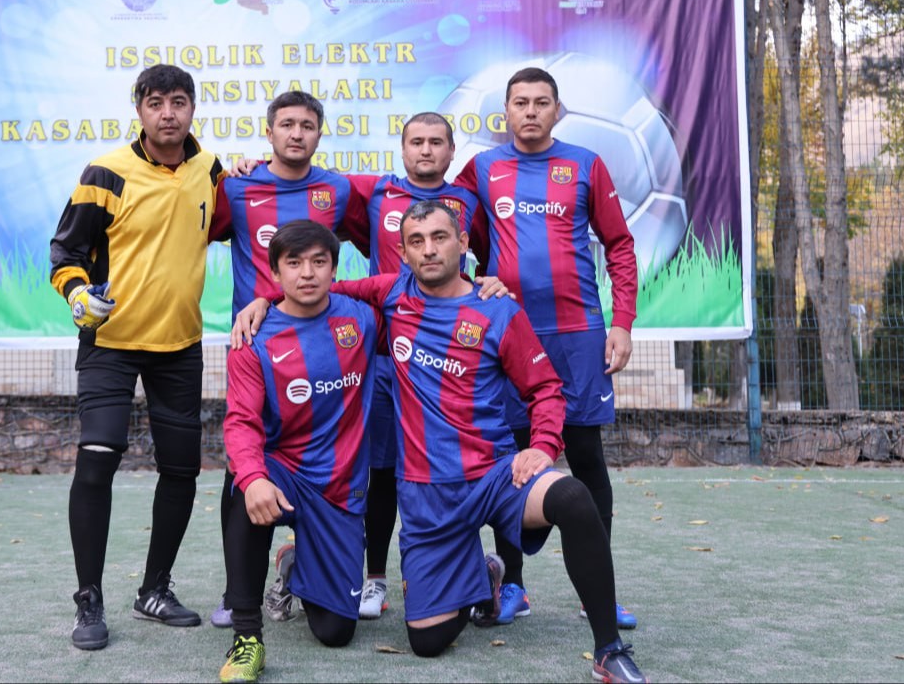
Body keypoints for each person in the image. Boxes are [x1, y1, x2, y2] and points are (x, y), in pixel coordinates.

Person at [234, 202, 646, 683]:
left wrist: (542, 445)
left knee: (572, 498)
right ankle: (481, 576)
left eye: (439, 237)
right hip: (427, 497)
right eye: (416, 241)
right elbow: (315, 289)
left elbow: (546, 389)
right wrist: (263, 301)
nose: (428, 249)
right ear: (403, 253)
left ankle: (609, 651)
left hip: (493, 474)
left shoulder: (497, 308)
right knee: (426, 642)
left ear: (463, 243)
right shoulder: (391, 294)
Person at [454, 65, 641, 630]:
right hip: (508, 336)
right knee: (511, 457)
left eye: (541, 102)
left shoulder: (584, 164)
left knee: (585, 456)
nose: (531, 111)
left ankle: (597, 594)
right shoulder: (482, 169)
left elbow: (620, 246)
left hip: (579, 335)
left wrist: (623, 323)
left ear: (557, 111)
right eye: (520, 102)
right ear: (505, 112)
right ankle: (512, 586)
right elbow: (447, 223)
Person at [48, 64, 224, 651]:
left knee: (182, 470)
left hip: (180, 345)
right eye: (155, 103)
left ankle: (154, 590)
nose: (168, 113)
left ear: (192, 107)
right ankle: (88, 600)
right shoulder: (105, 173)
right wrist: (78, 294)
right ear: (139, 109)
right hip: (111, 345)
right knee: (97, 461)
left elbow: (241, 223)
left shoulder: (212, 171)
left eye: (178, 102)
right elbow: (65, 253)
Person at [207, 90, 369, 627]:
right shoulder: (236, 186)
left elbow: (385, 246)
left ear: (319, 133)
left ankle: (313, 564)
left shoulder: (338, 189)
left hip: (323, 343)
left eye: (307, 125)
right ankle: (239, 595)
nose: (297, 133)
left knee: (337, 630)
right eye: (287, 124)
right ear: (269, 131)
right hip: (256, 344)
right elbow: (196, 235)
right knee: (244, 463)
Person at [218, 220, 379, 683]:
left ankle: (294, 565)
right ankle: (247, 636)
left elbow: (413, 286)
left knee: (335, 632)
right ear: (275, 272)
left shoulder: (363, 319)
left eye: (318, 262)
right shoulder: (252, 338)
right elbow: (241, 422)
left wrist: (482, 284)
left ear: (335, 268)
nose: (307, 273)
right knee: (242, 482)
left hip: (340, 488)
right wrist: (253, 478)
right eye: (294, 263)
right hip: (285, 471)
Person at [346, 112, 479, 620]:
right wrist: (248, 165)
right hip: (386, 360)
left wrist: (491, 282)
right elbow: (303, 176)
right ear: (402, 150)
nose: (426, 150)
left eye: (436, 142)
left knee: (450, 470)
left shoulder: (469, 199)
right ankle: (375, 579)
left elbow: (489, 258)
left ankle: (469, 573)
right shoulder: (375, 191)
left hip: (449, 360)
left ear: (451, 151)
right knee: (381, 474)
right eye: (416, 141)